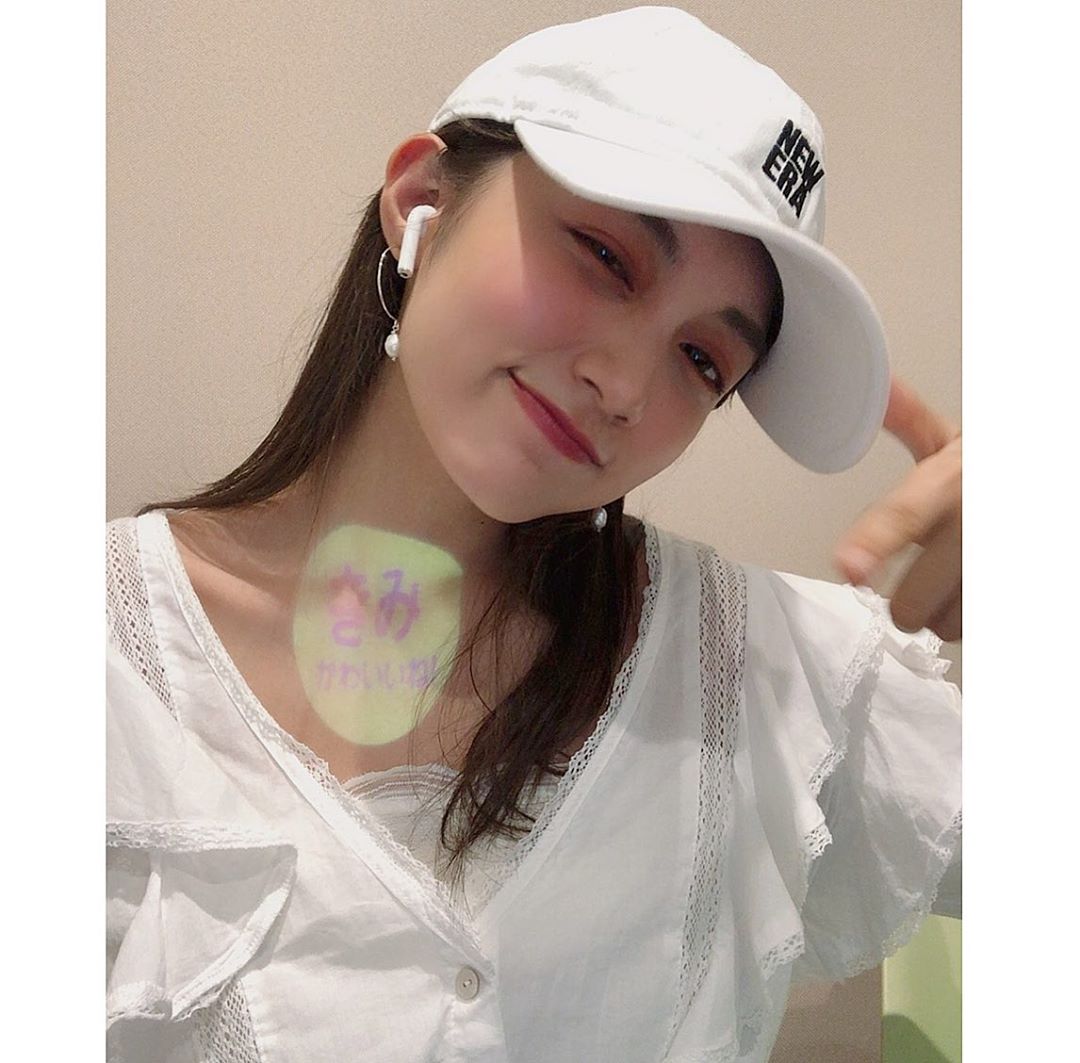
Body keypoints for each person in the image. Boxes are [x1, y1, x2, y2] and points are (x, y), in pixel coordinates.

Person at [105, 6, 961, 1062]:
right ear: (421, 200)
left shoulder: (769, 674)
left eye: (702, 360)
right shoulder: (99, 657)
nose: (626, 384)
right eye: (604, 255)